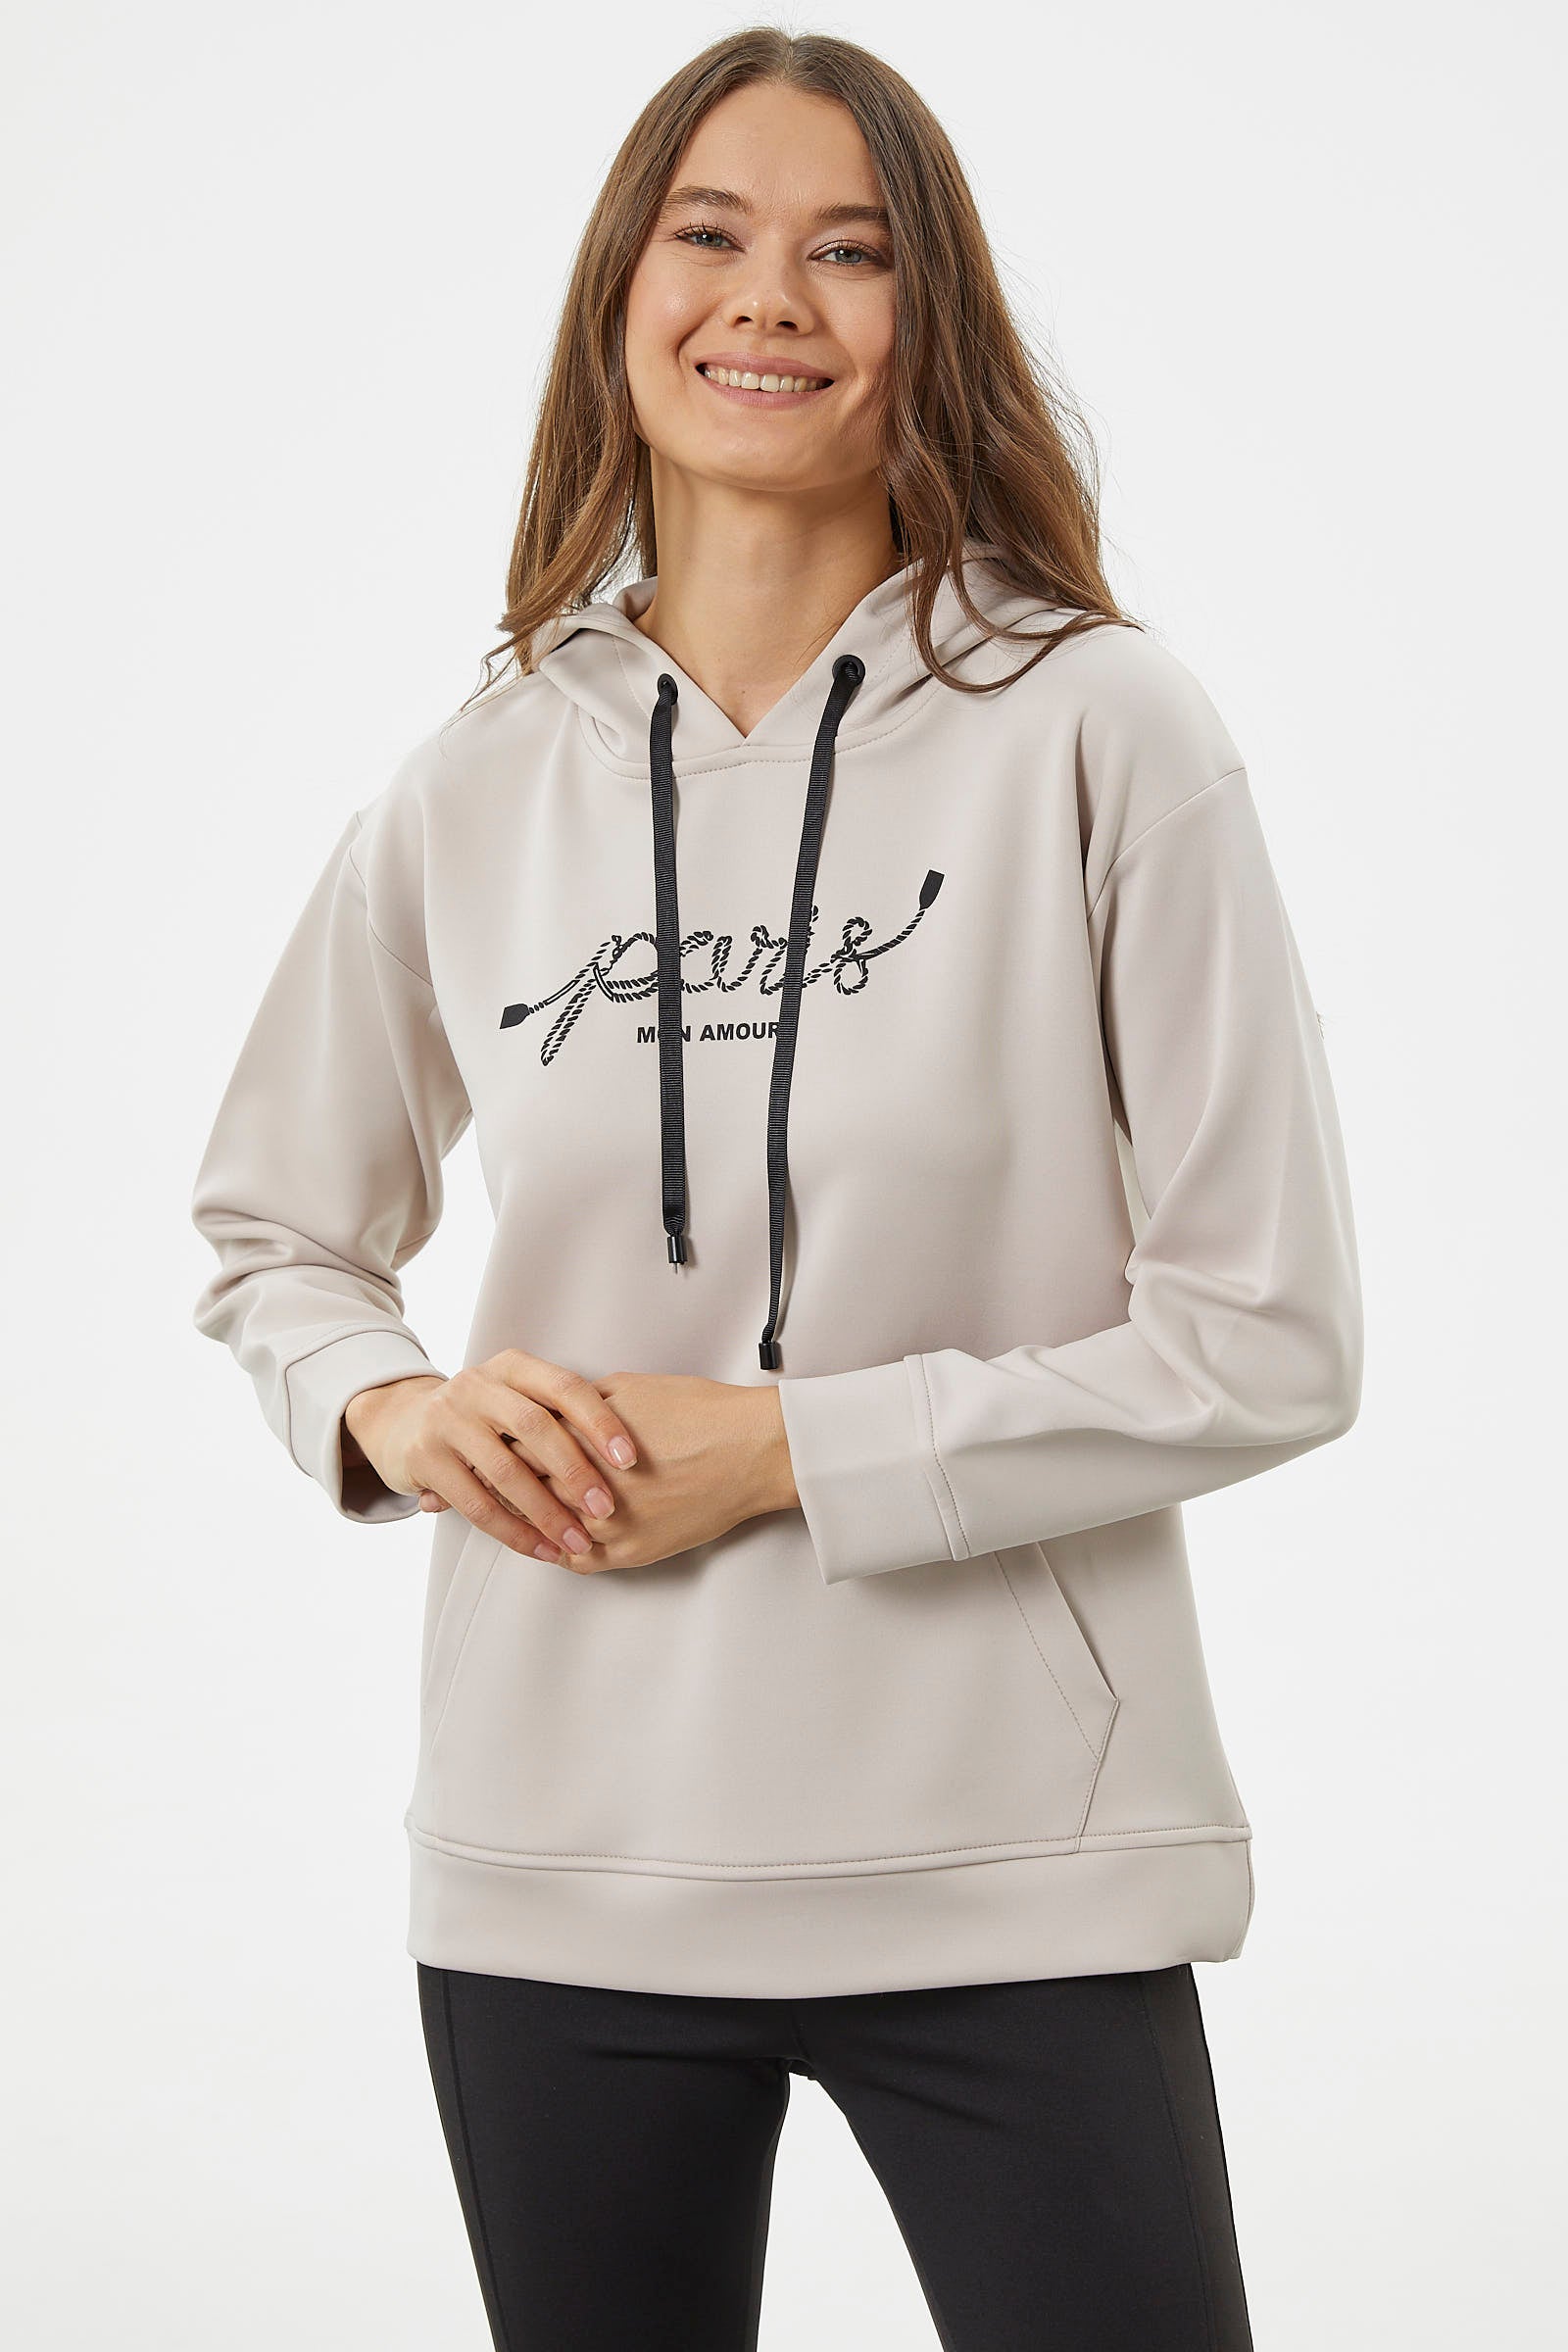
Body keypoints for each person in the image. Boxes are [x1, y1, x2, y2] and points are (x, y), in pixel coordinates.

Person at [188, 26, 1362, 2351]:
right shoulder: (474, 781)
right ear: (619, 294)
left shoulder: (1099, 729)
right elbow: (272, 1235)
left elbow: (1268, 1338)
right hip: (557, 1873)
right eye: (709, 235)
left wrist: (788, 1453)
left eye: (850, 251)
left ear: (931, 318)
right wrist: (393, 1411)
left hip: (1011, 1862)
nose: (768, 300)